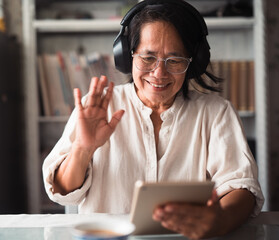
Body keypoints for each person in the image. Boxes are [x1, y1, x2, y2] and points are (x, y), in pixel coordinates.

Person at [42, 0, 264, 238]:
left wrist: (221, 219)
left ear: (193, 62)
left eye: (175, 60)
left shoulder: (216, 113)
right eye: (148, 58)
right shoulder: (97, 108)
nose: (159, 73)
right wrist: (82, 150)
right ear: (127, 56)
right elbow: (62, 191)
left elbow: (242, 187)